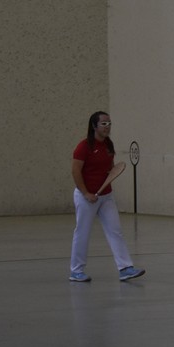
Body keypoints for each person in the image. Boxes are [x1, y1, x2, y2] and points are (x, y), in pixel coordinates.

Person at [69, 112, 145, 282]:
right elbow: (75, 171)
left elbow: (109, 168)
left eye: (109, 123)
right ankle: (76, 271)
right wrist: (86, 193)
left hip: (106, 196)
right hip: (85, 197)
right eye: (103, 123)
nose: (107, 126)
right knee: (82, 232)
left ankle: (125, 268)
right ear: (94, 126)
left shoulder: (108, 145)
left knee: (115, 230)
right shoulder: (83, 147)